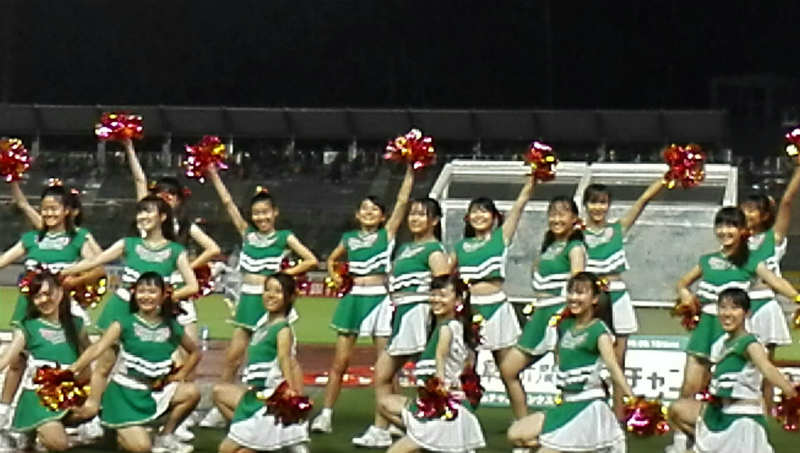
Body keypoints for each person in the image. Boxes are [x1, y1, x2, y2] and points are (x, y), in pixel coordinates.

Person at [59, 195, 199, 428]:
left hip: (153, 314)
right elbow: (96, 261)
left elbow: (192, 286)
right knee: (104, 364)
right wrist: (62, 271)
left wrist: (163, 299)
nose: (142, 216)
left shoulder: (176, 251)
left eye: (148, 211)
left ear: (163, 217)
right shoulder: (128, 244)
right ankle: (93, 411)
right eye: (140, 212)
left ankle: (151, 413)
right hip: (120, 308)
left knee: (158, 363)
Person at [668, 206, 800, 453]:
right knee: (689, 387)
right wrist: (685, 293)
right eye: (720, 225)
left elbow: (776, 282)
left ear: (742, 230)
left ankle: (729, 438)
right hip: (705, 328)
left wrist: (797, 298)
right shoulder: (707, 260)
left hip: (727, 329)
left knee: (724, 386)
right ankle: (683, 443)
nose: (724, 231)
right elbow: (682, 282)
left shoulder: (751, 261)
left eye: (731, 226)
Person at [202, 166, 317, 427]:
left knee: (287, 357)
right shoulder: (247, 234)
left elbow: (310, 259)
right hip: (248, 300)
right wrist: (214, 174)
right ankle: (221, 408)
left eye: (266, 212)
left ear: (275, 213)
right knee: (233, 356)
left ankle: (296, 404)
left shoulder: (284, 237)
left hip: (271, 301)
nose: (261, 217)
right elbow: (228, 204)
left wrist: (282, 275)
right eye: (256, 213)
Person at [124, 138, 221, 437]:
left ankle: (178, 418)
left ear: (179, 200)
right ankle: (147, 409)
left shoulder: (185, 226)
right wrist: (128, 146)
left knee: (187, 352)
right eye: (161, 194)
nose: (166, 198)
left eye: (171, 195)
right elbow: (139, 181)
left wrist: (185, 268)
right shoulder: (147, 223)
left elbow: (213, 249)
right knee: (150, 352)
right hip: (148, 295)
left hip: (177, 294)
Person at [0, 183, 104, 449]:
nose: (48, 213)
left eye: (54, 208)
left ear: (67, 210)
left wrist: (71, 280)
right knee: (17, 362)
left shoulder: (78, 237)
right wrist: (14, 183)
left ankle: (80, 407)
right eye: (45, 208)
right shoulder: (32, 238)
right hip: (29, 306)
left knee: (78, 354)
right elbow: (4, 259)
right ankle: (5, 414)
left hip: (63, 309)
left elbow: (99, 269)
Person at [311, 165, 414, 433]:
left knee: (386, 364)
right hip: (354, 298)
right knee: (340, 362)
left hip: (379, 298)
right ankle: (326, 415)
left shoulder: (386, 234)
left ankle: (397, 418)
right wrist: (335, 276)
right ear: (357, 214)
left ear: (383, 217)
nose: (369, 212)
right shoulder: (348, 238)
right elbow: (332, 259)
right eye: (364, 208)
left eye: (375, 209)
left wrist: (411, 169)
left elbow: (402, 201)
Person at [352, 198, 450, 448]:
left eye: (422, 214)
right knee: (383, 373)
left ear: (435, 221)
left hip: (420, 313)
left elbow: (444, 289)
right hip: (400, 312)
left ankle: (435, 426)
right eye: (413, 214)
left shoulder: (434, 250)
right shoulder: (405, 247)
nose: (415, 219)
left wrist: (437, 324)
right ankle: (386, 428)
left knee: (426, 375)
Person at [68, 272, 202, 453]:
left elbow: (195, 352)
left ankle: (164, 436)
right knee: (142, 448)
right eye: (141, 291)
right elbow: (98, 348)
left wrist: (181, 374)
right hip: (124, 394)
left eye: (152, 292)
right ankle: (115, 430)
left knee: (192, 393)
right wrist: (74, 368)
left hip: (153, 392)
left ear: (163, 295)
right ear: (134, 294)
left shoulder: (171, 325)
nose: (146, 296)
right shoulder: (124, 322)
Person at [507, 272, 632, 453]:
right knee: (516, 434)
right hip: (566, 405)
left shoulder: (599, 330)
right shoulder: (564, 326)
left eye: (580, 293)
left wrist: (631, 397)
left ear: (595, 299)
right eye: (571, 292)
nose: (573, 298)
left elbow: (613, 366)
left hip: (588, 406)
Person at [668, 288, 798, 453]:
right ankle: (692, 441)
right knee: (677, 409)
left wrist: (792, 393)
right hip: (719, 413)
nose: (727, 313)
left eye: (734, 308)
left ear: (747, 313)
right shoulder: (722, 344)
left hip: (742, 419)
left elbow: (767, 368)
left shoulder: (750, 343)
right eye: (722, 308)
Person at [449, 176, 534, 419]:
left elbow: (519, 206)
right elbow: (444, 275)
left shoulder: (500, 238)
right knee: (464, 369)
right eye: (474, 211)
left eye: (484, 211)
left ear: (494, 216)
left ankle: (523, 422)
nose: (479, 215)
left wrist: (532, 180)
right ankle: (460, 422)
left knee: (508, 371)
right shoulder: (460, 246)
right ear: (467, 218)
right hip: (469, 310)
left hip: (496, 307)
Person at [582, 179, 664, 418]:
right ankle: (589, 413)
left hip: (617, 296)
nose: (598, 208)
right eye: (593, 202)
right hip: (591, 300)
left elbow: (643, 200)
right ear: (585, 205)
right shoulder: (577, 234)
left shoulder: (618, 229)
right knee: (588, 359)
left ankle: (617, 418)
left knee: (618, 362)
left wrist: (666, 178)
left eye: (603, 202)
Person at [499, 196, 586, 419]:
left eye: (562, 214)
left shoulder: (575, 247)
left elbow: (579, 287)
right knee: (508, 370)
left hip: (561, 314)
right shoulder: (550, 247)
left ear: (574, 218)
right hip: (540, 314)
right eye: (553, 214)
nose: (556, 219)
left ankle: (572, 425)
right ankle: (523, 424)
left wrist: (570, 319)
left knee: (567, 375)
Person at [378, 274, 485, 453]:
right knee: (385, 403)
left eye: (443, 295)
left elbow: (440, 361)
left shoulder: (446, 329)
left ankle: (428, 440)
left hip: (442, 410)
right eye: (433, 294)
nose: (436, 299)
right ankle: (425, 441)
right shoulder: (459, 328)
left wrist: (441, 386)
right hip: (444, 406)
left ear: (458, 300)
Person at [213, 273, 310, 453]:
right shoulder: (262, 325)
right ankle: (264, 438)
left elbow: (285, 358)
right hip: (254, 395)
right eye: (267, 290)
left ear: (289, 297)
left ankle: (270, 435)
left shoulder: (283, 329)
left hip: (267, 400)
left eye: (278, 291)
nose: (270, 295)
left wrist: (290, 390)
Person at [0, 270, 96, 451]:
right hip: (40, 397)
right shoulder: (28, 327)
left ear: (60, 292)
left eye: (47, 293)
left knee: (94, 417)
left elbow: (89, 355)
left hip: (70, 394)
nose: (43, 300)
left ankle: (37, 433)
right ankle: (30, 431)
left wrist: (87, 393)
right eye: (37, 296)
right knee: (58, 444)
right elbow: (7, 358)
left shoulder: (76, 324)